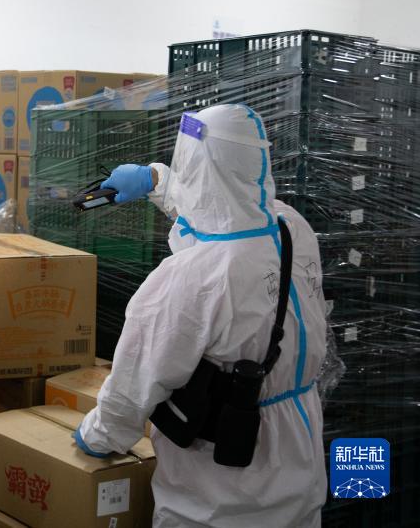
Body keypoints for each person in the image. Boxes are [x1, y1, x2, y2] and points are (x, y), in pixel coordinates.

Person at [74, 104, 328, 527]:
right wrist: (157, 180)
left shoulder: (193, 279)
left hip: (222, 491)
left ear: (194, 164)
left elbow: (135, 383)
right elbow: (228, 206)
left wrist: (98, 435)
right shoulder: (291, 229)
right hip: (299, 460)